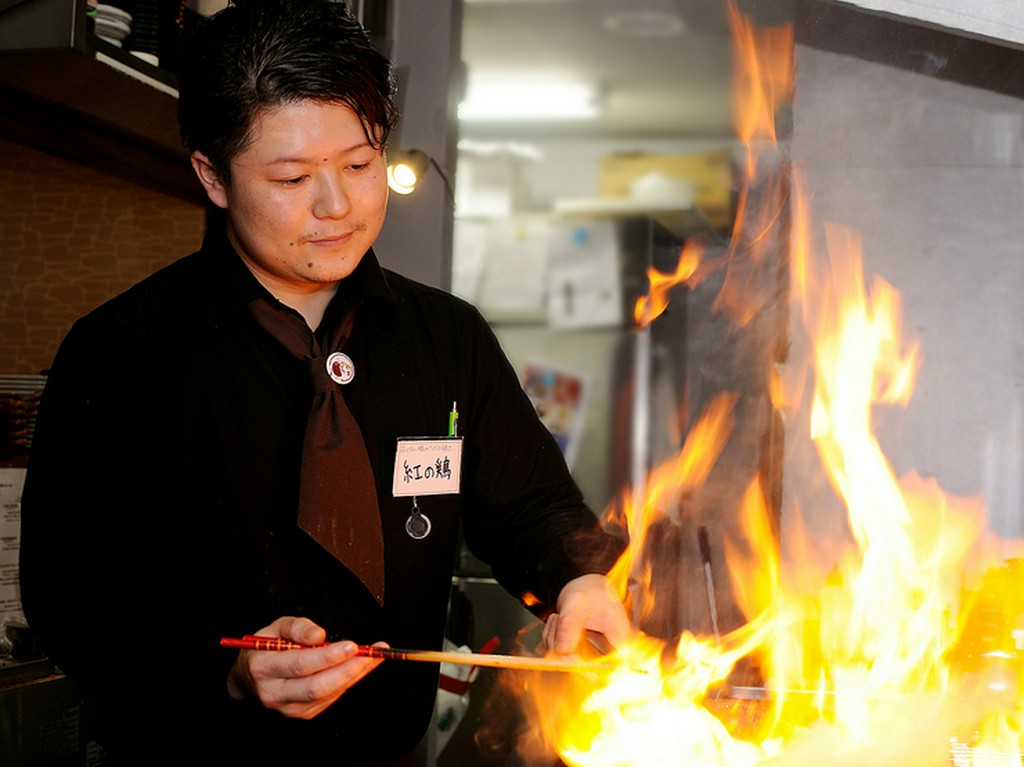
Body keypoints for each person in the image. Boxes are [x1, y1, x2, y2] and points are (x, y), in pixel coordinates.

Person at [18, 1, 630, 764]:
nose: (337, 206)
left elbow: (532, 505)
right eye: (293, 176)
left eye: (360, 163)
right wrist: (230, 672)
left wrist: (579, 581)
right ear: (212, 174)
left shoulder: (446, 338)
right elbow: (70, 597)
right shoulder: (123, 351)